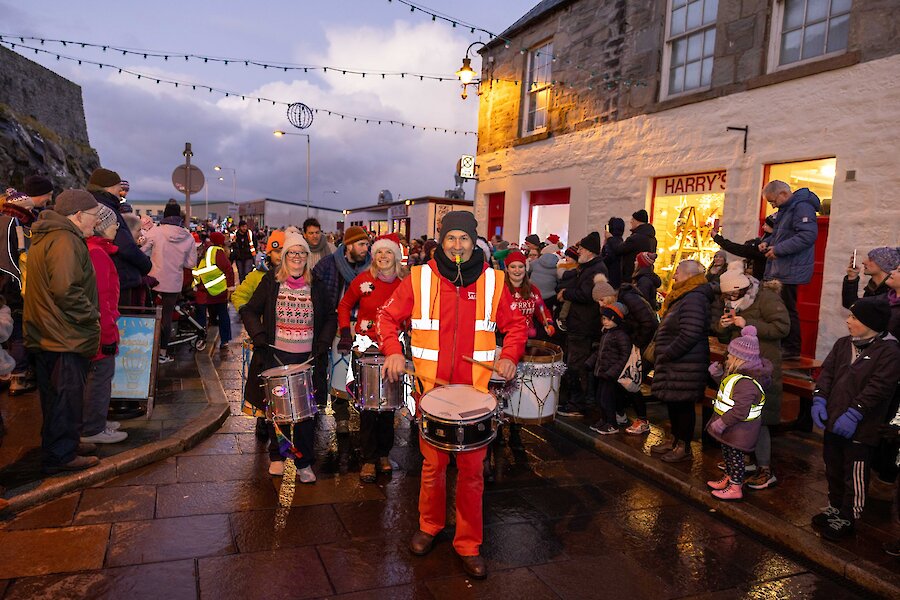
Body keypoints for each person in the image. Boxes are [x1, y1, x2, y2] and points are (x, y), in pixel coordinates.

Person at [377, 210, 527, 579]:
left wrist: (509, 356)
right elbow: (387, 318)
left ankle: (468, 543)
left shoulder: (494, 281)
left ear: (474, 242)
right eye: (450, 239)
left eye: (464, 239)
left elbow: (517, 325)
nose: (457, 246)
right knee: (433, 468)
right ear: (441, 242)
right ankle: (429, 526)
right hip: (433, 393)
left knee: (473, 472)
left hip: (475, 396)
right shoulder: (419, 277)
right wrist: (393, 351)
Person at [24, 189, 101, 473]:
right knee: (65, 396)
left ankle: (64, 441)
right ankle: (62, 454)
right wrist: (91, 316)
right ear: (78, 215)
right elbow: (66, 290)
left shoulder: (51, 237)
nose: (95, 222)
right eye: (93, 216)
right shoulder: (66, 240)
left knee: (56, 396)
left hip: (49, 331)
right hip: (63, 334)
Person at [811, 297, 900, 541]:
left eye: (854, 318)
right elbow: (827, 373)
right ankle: (835, 507)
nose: (848, 321)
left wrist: (855, 412)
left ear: (870, 323)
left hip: (862, 428)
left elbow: (879, 387)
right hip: (833, 420)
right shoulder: (843, 344)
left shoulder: (889, 351)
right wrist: (819, 398)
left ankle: (849, 516)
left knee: (855, 473)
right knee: (833, 467)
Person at [240, 231, 318, 481]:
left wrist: (324, 342)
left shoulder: (315, 284)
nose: (296, 257)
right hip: (276, 357)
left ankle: (304, 462)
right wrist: (259, 335)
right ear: (284, 257)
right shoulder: (271, 282)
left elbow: (328, 316)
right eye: (292, 253)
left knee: (305, 415)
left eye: (301, 253)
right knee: (278, 411)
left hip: (306, 359)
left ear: (307, 257)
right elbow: (249, 309)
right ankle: (278, 455)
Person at [711, 261, 789, 489]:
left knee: (759, 418)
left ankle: (765, 469)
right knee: (741, 417)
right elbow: (727, 338)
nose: (729, 299)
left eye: (733, 294)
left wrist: (749, 322)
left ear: (743, 288)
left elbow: (783, 328)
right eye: (726, 295)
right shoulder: (732, 300)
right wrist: (723, 327)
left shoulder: (766, 298)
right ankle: (744, 460)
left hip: (762, 367)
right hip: (738, 366)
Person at [336, 233, 407, 483]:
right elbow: (344, 305)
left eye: (388, 252)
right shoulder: (363, 280)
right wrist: (346, 331)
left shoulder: (403, 283)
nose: (383, 256)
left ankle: (383, 454)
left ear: (396, 257)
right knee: (367, 407)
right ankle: (367, 459)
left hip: (392, 348)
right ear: (373, 256)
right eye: (379, 252)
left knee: (388, 406)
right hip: (366, 348)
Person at [649, 259, 714, 462]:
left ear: (687, 275)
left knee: (683, 405)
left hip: (686, 362)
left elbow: (690, 332)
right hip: (678, 362)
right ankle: (675, 439)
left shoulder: (693, 297)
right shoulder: (685, 296)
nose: (674, 275)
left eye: (677, 272)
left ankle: (684, 447)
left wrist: (668, 353)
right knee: (674, 402)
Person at [311, 226, 371, 437]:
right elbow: (315, 294)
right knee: (339, 372)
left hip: (366, 327)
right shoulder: (327, 265)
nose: (366, 248)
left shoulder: (372, 267)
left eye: (367, 244)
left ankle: (366, 412)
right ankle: (341, 416)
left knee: (365, 373)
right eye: (361, 244)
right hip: (336, 325)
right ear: (349, 245)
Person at [705, 326, 772, 501]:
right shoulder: (738, 375)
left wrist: (722, 423)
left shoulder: (747, 382)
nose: (727, 358)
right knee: (728, 455)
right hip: (734, 428)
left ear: (740, 359)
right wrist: (719, 375)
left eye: (730, 356)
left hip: (740, 428)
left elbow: (740, 410)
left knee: (735, 458)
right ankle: (729, 478)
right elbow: (729, 389)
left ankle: (735, 487)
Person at [81, 205, 127, 444]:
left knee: (95, 377)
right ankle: (92, 429)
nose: (117, 227)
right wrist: (109, 335)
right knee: (100, 377)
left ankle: (95, 421)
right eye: (113, 223)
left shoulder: (94, 250)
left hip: (94, 327)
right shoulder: (97, 254)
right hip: (100, 329)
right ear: (99, 226)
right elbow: (102, 297)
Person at [233, 229, 285, 438]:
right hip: (264, 339)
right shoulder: (257, 276)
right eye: (276, 251)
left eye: (284, 250)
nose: (280, 255)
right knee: (262, 381)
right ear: (269, 253)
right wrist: (252, 320)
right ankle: (262, 418)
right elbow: (239, 296)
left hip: (286, 339)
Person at [760, 181, 821, 358]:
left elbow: (807, 235)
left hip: (791, 269)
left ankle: (791, 348)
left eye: (773, 201)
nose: (772, 205)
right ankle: (783, 345)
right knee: (779, 308)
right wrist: (768, 243)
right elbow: (782, 235)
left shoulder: (802, 207)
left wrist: (778, 250)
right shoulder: (787, 209)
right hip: (783, 268)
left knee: (786, 309)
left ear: (783, 194)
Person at [556, 232, 608, 417]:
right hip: (579, 323)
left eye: (581, 249)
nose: (578, 251)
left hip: (584, 324)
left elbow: (587, 294)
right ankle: (576, 401)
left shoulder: (596, 270)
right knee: (575, 364)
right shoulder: (588, 267)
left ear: (589, 251)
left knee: (576, 365)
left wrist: (567, 293)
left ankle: (577, 405)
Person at [86, 168, 152, 307]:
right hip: (119, 277)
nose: (120, 192)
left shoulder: (93, 205)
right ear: (110, 188)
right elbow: (125, 246)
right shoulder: (107, 210)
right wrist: (145, 264)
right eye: (119, 188)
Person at [142, 202, 197, 363]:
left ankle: (145, 347)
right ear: (179, 217)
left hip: (154, 279)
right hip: (173, 282)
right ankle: (163, 353)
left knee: (149, 313)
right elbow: (191, 263)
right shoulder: (188, 236)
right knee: (167, 316)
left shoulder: (156, 232)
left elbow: (141, 251)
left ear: (165, 215)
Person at [0, 189, 37, 396]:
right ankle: (18, 378)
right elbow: (21, 258)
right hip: (15, 287)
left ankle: (7, 373)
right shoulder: (16, 226)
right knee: (18, 334)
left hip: (3, 286)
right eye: (30, 208)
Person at [615, 275, 659, 434]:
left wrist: (636, 344)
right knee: (626, 380)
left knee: (631, 381)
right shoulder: (627, 297)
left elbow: (650, 323)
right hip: (637, 346)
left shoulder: (629, 298)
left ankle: (642, 420)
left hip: (643, 349)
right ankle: (621, 414)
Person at [588, 302, 631, 435]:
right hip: (602, 372)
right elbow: (599, 352)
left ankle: (612, 423)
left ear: (615, 320)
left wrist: (612, 372)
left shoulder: (620, 335)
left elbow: (625, 356)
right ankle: (604, 419)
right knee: (600, 398)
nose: (604, 322)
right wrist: (590, 363)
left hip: (610, 374)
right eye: (603, 319)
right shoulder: (607, 334)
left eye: (607, 319)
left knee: (607, 399)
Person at [193, 231, 234, 350]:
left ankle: (201, 339)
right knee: (223, 314)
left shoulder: (202, 250)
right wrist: (230, 286)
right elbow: (228, 269)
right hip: (217, 291)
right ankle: (225, 340)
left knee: (201, 316)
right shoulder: (218, 251)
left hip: (202, 290)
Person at [503, 251, 555, 339]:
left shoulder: (533, 290)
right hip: (507, 338)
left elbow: (541, 308)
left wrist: (548, 323)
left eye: (520, 267)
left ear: (525, 268)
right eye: (513, 267)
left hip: (528, 336)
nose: (517, 270)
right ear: (507, 269)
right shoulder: (501, 289)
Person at [713, 215, 774, 280]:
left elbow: (741, 250)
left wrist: (718, 239)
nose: (763, 227)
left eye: (766, 225)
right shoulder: (763, 242)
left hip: (764, 279)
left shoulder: (766, 247)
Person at [611, 210, 657, 285]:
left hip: (632, 277)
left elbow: (618, 249)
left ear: (638, 221)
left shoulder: (635, 238)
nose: (631, 222)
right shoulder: (652, 239)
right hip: (645, 275)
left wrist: (611, 238)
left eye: (633, 219)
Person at [528, 243, 561, 321]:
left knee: (532, 317)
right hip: (549, 297)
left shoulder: (534, 263)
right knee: (546, 316)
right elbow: (558, 281)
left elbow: (528, 273)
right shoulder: (557, 268)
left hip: (534, 294)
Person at [601, 217, 625, 288]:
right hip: (618, 279)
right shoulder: (621, 242)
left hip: (610, 279)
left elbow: (607, 259)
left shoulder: (611, 243)